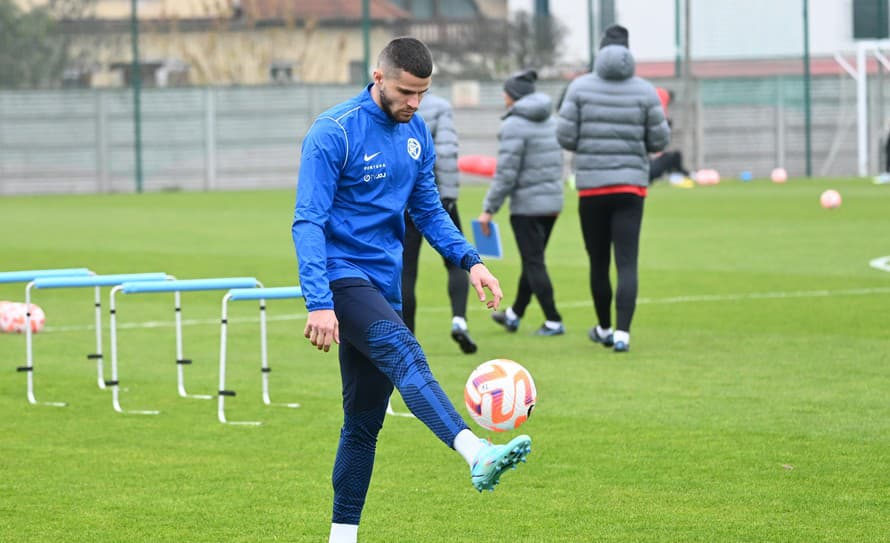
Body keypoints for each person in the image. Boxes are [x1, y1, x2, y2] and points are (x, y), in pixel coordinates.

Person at [292, 37, 532, 543]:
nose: (414, 103)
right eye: (406, 92)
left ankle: (341, 537)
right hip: (341, 277)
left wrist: (472, 262)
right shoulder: (333, 131)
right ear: (379, 78)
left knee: (362, 425)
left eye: (422, 93)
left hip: (384, 282)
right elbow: (308, 221)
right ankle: (476, 451)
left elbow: (427, 211)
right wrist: (318, 300)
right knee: (406, 352)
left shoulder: (415, 132)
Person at [556, 24, 670, 353]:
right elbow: (660, 140)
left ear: (600, 49)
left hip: (592, 187)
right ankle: (623, 333)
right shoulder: (646, 91)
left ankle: (604, 328)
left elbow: (565, 136)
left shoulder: (579, 87)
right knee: (627, 262)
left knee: (598, 261)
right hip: (631, 187)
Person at [478, 69, 566, 336]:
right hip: (552, 204)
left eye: (505, 92)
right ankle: (515, 313)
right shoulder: (552, 121)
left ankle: (553, 320)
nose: (503, 96)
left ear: (513, 96)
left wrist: (488, 209)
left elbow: (506, 173)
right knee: (533, 260)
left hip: (527, 207)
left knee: (534, 262)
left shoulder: (513, 125)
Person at [401, 93, 477, 353]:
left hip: (403, 200)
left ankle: (407, 338)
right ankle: (459, 320)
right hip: (434, 198)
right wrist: (448, 196)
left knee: (406, 270)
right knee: (456, 262)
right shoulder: (440, 106)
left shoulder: (393, 104)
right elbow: (445, 152)